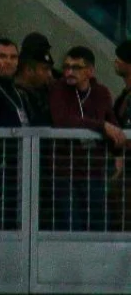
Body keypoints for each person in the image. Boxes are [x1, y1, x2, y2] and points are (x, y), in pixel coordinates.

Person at [48, 46, 124, 231]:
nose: (69, 72)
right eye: (66, 66)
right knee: (71, 225)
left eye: (76, 67)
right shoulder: (58, 89)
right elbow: (62, 119)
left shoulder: (101, 93)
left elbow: (113, 124)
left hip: (94, 171)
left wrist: (118, 152)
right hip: (66, 171)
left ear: (90, 71)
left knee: (98, 225)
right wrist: (100, 126)